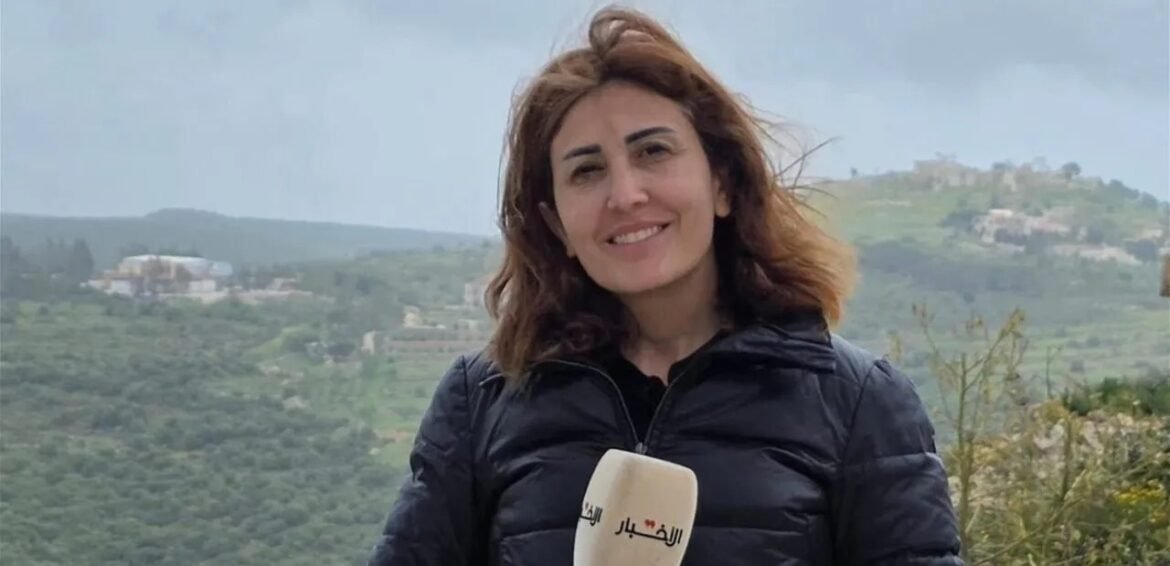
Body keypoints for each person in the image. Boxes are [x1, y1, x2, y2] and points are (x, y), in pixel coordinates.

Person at [367, 5, 962, 565]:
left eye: (653, 151)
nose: (625, 194)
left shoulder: (858, 403)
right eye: (587, 170)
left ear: (722, 183)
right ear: (557, 225)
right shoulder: (482, 403)